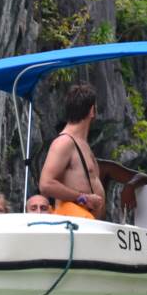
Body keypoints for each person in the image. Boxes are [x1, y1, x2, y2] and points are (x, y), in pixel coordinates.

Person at [39, 84, 105, 219]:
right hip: (74, 226)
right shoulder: (64, 142)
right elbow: (46, 184)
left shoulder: (83, 143)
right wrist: (83, 198)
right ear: (92, 110)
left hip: (89, 225)